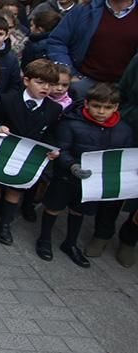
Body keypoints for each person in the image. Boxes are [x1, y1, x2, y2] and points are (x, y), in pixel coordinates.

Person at [0, 59, 62, 246]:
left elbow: (52, 133)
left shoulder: (54, 108)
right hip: (3, 153)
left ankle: (4, 224)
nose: (45, 88)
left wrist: (53, 150)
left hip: (27, 158)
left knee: (15, 191)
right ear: (26, 80)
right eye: (40, 82)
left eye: (50, 84)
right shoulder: (7, 99)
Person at [40, 83, 134, 265]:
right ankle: (44, 240)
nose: (101, 111)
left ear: (116, 108)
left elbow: (124, 157)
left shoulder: (124, 130)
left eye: (107, 107)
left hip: (92, 183)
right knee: (53, 207)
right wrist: (72, 166)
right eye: (97, 106)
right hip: (66, 177)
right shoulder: (70, 123)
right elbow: (61, 148)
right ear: (87, 104)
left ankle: (70, 243)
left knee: (78, 211)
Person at [47, 0, 138, 98]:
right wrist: (68, 72)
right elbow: (57, 41)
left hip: (124, 89)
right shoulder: (84, 10)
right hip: (83, 83)